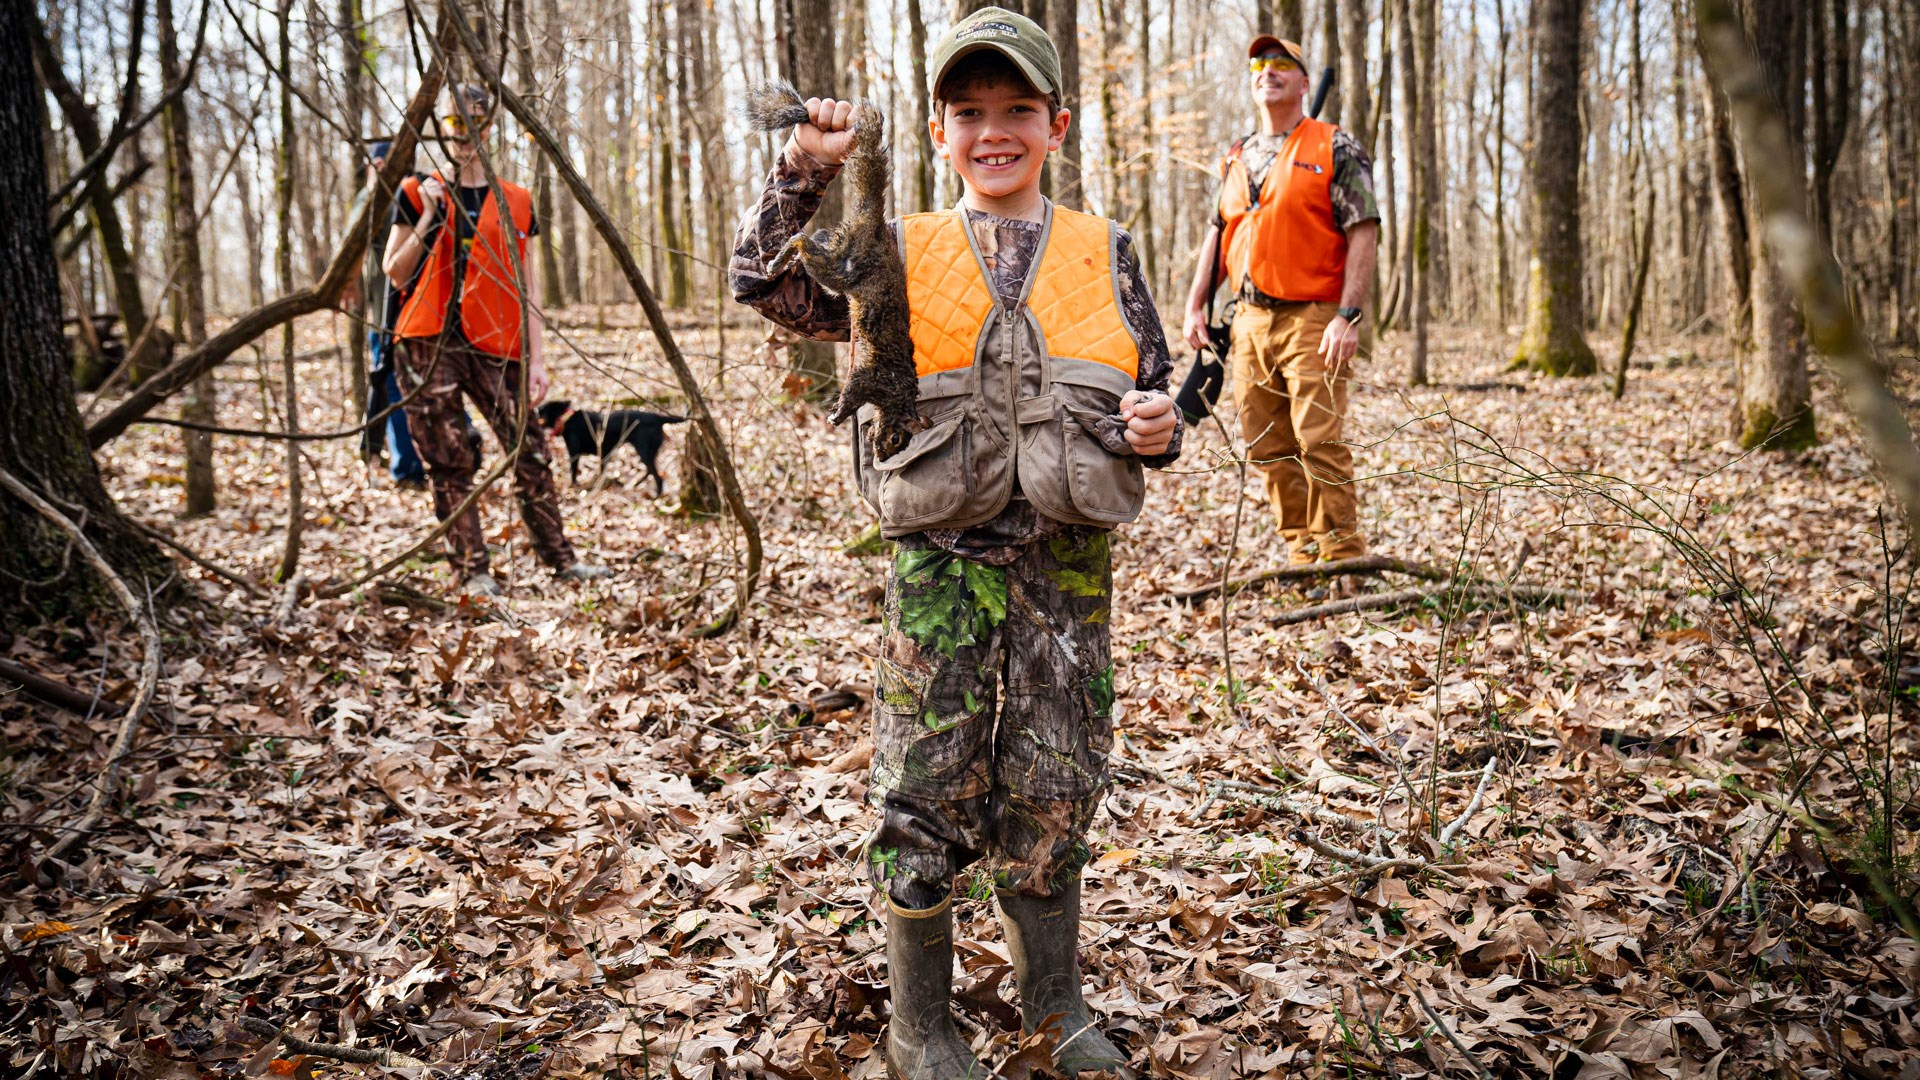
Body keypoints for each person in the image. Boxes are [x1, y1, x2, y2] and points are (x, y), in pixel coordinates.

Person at [732, 8, 1180, 1076]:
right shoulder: (898, 249)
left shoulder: (1104, 248)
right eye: (969, 112)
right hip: (940, 569)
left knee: (1057, 781)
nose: (994, 131)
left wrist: (1160, 430)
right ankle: (919, 1026)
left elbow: (1153, 387)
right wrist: (804, 165)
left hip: (1067, 575)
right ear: (938, 132)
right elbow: (762, 282)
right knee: (924, 788)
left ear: (1055, 124)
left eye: (1016, 109)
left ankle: (1054, 1007)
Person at [382, 84, 609, 595]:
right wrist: (426, 219)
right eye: (456, 127)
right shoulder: (417, 191)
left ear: (490, 128)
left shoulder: (517, 201)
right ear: (443, 128)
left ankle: (562, 561)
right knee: (449, 459)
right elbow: (395, 273)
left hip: (496, 342)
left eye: (476, 125)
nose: (466, 138)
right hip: (426, 341)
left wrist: (537, 361)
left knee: (529, 450)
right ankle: (472, 572)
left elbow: (528, 288)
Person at [1182, 34, 1380, 567]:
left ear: (1303, 81)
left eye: (1280, 64)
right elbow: (1219, 233)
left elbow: (1363, 229)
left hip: (1315, 317)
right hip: (1247, 320)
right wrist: (1196, 303)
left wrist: (1348, 314)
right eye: (1259, 63)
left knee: (1319, 439)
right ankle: (1301, 553)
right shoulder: (1237, 155)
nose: (1267, 71)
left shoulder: (1334, 146)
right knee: (1267, 443)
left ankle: (1342, 555)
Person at [353, 140, 426, 489]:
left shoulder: (416, 192)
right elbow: (354, 240)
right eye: (379, 164)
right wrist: (373, 188)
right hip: (382, 315)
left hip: (421, 313)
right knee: (390, 388)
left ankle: (437, 459)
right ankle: (406, 468)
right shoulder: (368, 201)